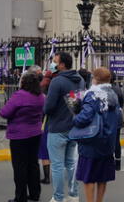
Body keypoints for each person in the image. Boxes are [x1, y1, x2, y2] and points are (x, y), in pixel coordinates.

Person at [73, 67, 121, 202]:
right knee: (102, 177)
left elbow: (85, 117)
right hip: (108, 141)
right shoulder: (113, 94)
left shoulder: (93, 94)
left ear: (95, 79)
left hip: (91, 141)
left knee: (89, 177)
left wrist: (74, 119)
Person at [44, 52, 85, 202]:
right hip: (73, 126)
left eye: (55, 61)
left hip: (57, 127)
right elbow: (77, 104)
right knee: (71, 163)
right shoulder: (80, 79)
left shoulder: (58, 81)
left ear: (62, 64)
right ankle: (74, 194)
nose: (52, 64)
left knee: (57, 165)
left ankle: (58, 197)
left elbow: (48, 107)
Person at [0, 72, 45, 202]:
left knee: (20, 167)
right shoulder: (41, 96)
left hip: (19, 135)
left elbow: (4, 112)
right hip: (35, 133)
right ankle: (35, 193)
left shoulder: (19, 96)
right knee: (33, 164)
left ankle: (21, 197)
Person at [110, 71, 124, 171]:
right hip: (118, 117)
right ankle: (118, 163)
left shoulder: (106, 89)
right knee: (117, 140)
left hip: (109, 118)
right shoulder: (118, 88)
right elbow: (122, 102)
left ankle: (109, 162)